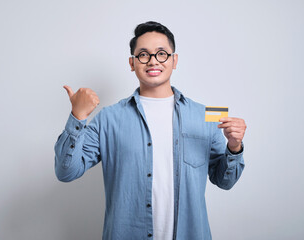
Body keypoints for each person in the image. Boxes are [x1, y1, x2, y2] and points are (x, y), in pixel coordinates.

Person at [54, 21, 247, 240]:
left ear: (174, 61)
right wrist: (78, 117)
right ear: (132, 63)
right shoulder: (109, 118)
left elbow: (225, 181)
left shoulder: (206, 115)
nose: (153, 60)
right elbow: (65, 172)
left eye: (162, 54)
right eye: (143, 55)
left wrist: (234, 146)